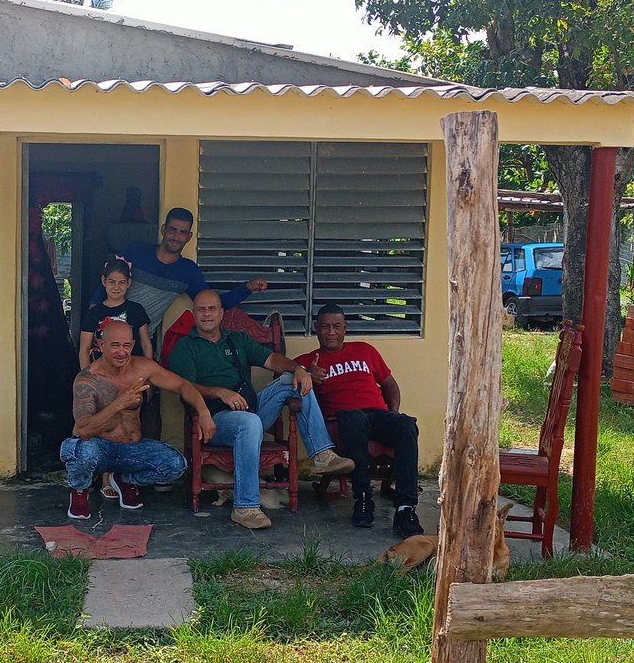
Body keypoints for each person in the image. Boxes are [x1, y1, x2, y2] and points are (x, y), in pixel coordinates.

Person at [167, 291, 354, 530]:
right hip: (216, 420)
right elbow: (184, 388)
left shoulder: (236, 339)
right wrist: (219, 392)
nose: (206, 314)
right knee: (249, 423)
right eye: (201, 309)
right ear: (194, 314)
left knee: (292, 380)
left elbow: (272, 360)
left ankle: (322, 454)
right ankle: (245, 507)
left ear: (221, 313)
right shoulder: (186, 346)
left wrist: (298, 368)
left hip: (252, 408)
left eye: (212, 309)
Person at [94, 207, 269, 439]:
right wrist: (91, 330)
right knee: (100, 398)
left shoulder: (188, 271)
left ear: (189, 237)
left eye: (182, 232)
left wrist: (245, 289)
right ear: (164, 230)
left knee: (145, 404)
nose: (176, 236)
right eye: (172, 230)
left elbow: (211, 302)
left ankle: (145, 466)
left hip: (140, 342)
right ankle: (101, 467)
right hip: (106, 337)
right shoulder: (134, 251)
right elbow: (104, 289)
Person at [61, 319, 216, 520]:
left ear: (133, 346)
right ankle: (79, 491)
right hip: (100, 449)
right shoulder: (87, 379)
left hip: (131, 449)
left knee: (176, 464)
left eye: (126, 345)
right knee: (75, 449)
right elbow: (83, 429)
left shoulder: (143, 368)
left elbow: (183, 386)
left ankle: (124, 479)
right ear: (101, 345)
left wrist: (204, 412)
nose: (121, 352)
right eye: (115, 345)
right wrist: (119, 403)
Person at [294, 303, 424, 537]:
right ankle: (363, 498)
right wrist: (304, 373)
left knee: (406, 424)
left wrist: (393, 413)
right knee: (353, 418)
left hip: (378, 415)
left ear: (346, 328)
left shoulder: (365, 350)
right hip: (342, 420)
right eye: (325, 327)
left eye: (336, 326)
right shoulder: (307, 361)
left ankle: (406, 508)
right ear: (316, 328)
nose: (331, 332)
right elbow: (281, 379)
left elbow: (390, 385)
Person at [78, 257, 154, 501]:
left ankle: (126, 477)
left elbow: (145, 344)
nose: (116, 287)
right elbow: (84, 349)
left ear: (129, 283)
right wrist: (88, 379)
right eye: (112, 282)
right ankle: (105, 477)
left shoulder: (136, 310)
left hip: (132, 376)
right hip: (101, 378)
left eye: (122, 282)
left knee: (130, 424)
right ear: (104, 282)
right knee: (103, 421)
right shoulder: (95, 313)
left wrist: (148, 378)